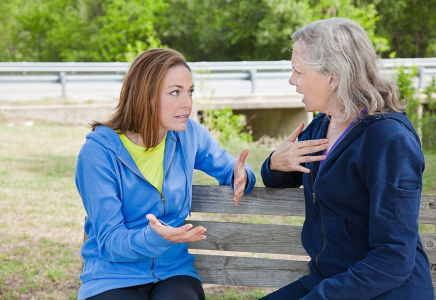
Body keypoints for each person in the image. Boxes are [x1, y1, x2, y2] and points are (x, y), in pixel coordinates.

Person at [260, 18, 434, 300]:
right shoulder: (322, 124)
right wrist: (274, 163)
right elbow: (287, 175)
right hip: (330, 281)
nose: (292, 81)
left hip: (384, 290)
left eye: (298, 71)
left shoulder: (390, 140)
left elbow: (393, 258)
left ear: (332, 76)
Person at [75, 48, 256, 300]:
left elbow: (229, 167)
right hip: (113, 276)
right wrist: (155, 237)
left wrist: (242, 174)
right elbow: (110, 241)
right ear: (145, 96)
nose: (187, 103)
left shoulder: (188, 135)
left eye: (190, 92)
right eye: (175, 92)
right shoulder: (99, 153)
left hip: (173, 272)